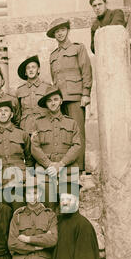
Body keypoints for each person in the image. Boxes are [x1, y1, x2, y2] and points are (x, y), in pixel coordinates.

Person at [47, 18, 92, 171]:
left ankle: (79, 168)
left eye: (62, 30)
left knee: (77, 132)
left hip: (74, 97)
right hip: (59, 100)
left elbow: (86, 71)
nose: (60, 33)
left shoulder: (78, 48)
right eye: (56, 32)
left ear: (67, 30)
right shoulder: (53, 55)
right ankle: (66, 165)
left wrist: (86, 93)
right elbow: (54, 79)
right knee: (63, 132)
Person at [31, 86, 81, 212]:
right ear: (46, 104)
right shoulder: (38, 123)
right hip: (45, 171)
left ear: (61, 101)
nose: (53, 103)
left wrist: (60, 164)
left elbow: (77, 146)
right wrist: (48, 165)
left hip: (67, 169)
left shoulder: (72, 123)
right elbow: (34, 147)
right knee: (47, 209)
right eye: (49, 101)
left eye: (55, 99)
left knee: (69, 209)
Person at [0, 100, 34, 211]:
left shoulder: (22, 134)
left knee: (19, 213)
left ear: (11, 114)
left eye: (6, 110)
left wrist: (27, 178)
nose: (3, 113)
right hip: (0, 182)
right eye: (0, 111)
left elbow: (29, 159)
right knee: (3, 215)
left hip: (19, 182)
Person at [16, 55, 51, 136]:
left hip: (44, 128)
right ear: (25, 72)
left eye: (33, 67)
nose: (31, 70)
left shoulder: (47, 87)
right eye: (28, 68)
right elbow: (17, 113)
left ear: (38, 70)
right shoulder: (20, 90)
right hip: (26, 129)